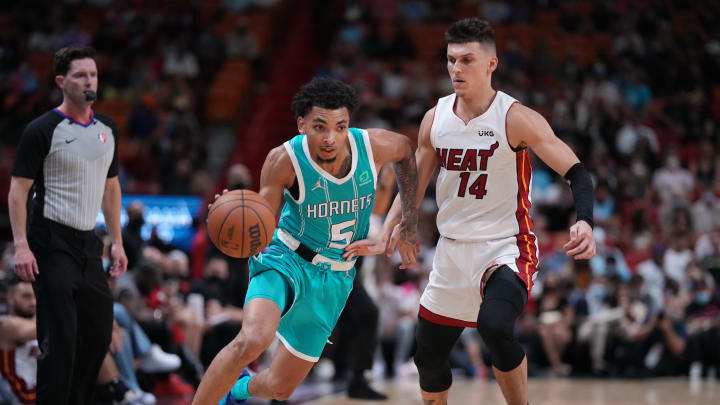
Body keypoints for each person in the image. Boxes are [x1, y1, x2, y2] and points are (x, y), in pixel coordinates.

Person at [348, 18, 596, 405]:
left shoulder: (515, 118)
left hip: (505, 248)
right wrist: (390, 231)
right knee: (427, 357)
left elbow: (578, 173)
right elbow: (414, 181)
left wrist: (584, 220)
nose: (456, 69)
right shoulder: (437, 117)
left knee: (494, 328)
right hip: (451, 251)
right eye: (450, 60)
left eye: (467, 60)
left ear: (491, 64)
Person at [190, 77, 419, 404]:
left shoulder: (374, 145)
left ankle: (238, 389)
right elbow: (261, 222)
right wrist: (235, 221)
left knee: (280, 388)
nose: (330, 137)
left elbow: (408, 154)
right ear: (301, 125)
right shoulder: (283, 160)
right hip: (285, 259)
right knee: (253, 339)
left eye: (340, 127)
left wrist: (408, 222)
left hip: (335, 277)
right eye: (319, 126)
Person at [7, 46, 128, 405]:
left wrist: (117, 241)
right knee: (59, 339)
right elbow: (18, 190)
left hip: (88, 243)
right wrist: (21, 244)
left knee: (98, 333)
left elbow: (111, 187)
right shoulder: (42, 129)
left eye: (92, 74)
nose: (89, 80)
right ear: (62, 82)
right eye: (80, 75)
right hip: (49, 239)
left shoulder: (108, 129)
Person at [0, 277, 39, 405]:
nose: (33, 302)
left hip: (40, 393)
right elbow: (47, 330)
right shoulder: (6, 324)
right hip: (21, 398)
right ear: (10, 298)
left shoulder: (36, 323)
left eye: (35, 296)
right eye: (26, 296)